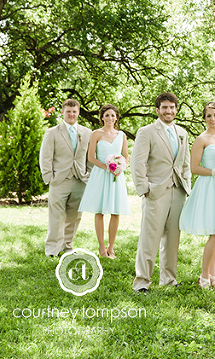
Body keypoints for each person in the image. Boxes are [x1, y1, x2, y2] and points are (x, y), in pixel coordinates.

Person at [131, 92, 191, 292]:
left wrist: (186, 186)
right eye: (165, 107)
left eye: (172, 107)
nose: (169, 111)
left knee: (173, 238)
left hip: (178, 191)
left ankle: (169, 279)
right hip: (155, 191)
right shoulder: (146, 132)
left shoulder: (182, 133)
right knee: (150, 238)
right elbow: (137, 163)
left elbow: (185, 163)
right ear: (157, 110)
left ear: (176, 109)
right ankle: (142, 281)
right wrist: (144, 189)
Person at [179, 102, 215, 289]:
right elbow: (194, 168)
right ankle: (204, 277)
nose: (212, 119)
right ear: (204, 118)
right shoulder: (201, 139)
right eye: (208, 116)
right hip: (209, 187)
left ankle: (213, 277)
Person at [39, 99, 92, 257]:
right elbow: (46, 157)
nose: (71, 114)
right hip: (59, 180)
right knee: (56, 216)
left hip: (80, 180)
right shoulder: (52, 132)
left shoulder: (87, 132)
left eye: (74, 111)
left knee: (75, 216)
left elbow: (90, 157)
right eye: (68, 111)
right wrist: (49, 177)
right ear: (62, 112)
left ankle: (67, 246)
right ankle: (52, 250)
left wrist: (88, 175)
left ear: (78, 113)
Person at [78, 104, 131, 259]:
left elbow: (126, 156)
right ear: (102, 117)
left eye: (113, 115)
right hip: (101, 174)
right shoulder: (96, 134)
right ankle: (101, 247)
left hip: (116, 176)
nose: (110, 118)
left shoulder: (122, 135)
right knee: (99, 211)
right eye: (107, 115)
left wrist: (120, 166)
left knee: (115, 212)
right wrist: (107, 167)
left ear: (116, 118)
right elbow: (91, 157)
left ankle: (111, 247)